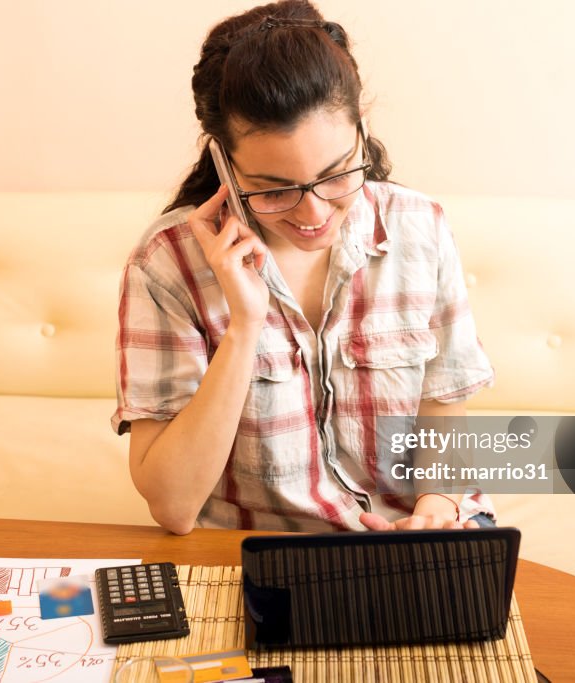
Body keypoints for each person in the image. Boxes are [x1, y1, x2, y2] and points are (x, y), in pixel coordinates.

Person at [112, 0, 495, 535]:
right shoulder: (167, 264)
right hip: (270, 558)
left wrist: (436, 506)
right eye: (275, 189)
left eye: (338, 173)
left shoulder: (420, 227)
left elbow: (443, 405)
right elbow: (173, 507)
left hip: (411, 543)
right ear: (224, 162)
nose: (314, 213)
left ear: (360, 132)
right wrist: (245, 327)